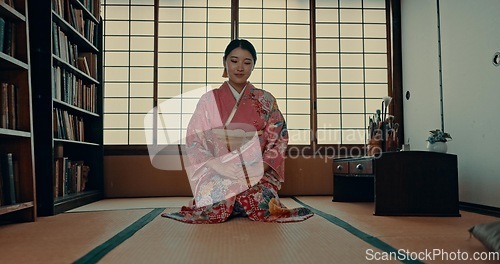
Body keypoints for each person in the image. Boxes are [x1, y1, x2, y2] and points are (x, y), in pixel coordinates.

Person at [162, 39, 314, 224]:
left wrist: (258, 168)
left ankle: (238, 207)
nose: (240, 67)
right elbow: (194, 140)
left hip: (255, 171)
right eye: (234, 61)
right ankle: (236, 207)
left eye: (247, 62)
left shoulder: (265, 100)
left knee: (261, 200)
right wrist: (219, 166)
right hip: (218, 171)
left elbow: (279, 139)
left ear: (254, 65)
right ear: (225, 62)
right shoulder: (208, 100)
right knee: (215, 197)